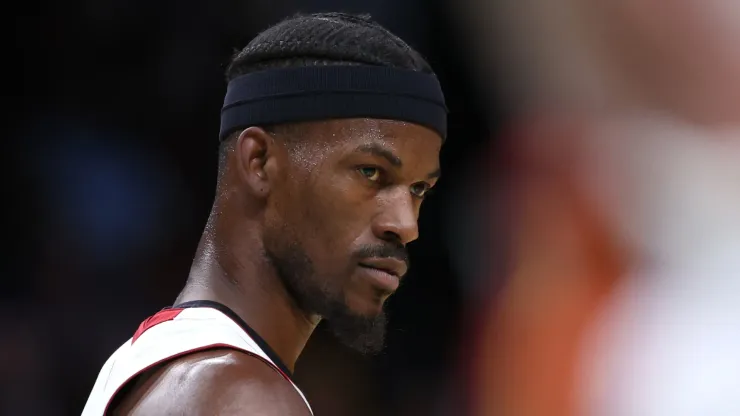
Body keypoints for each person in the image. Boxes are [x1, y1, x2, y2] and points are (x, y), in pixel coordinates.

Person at [81, 12, 447, 416]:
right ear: (259, 161)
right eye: (370, 172)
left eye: (419, 189)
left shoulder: (156, 364)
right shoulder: (243, 397)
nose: (405, 225)